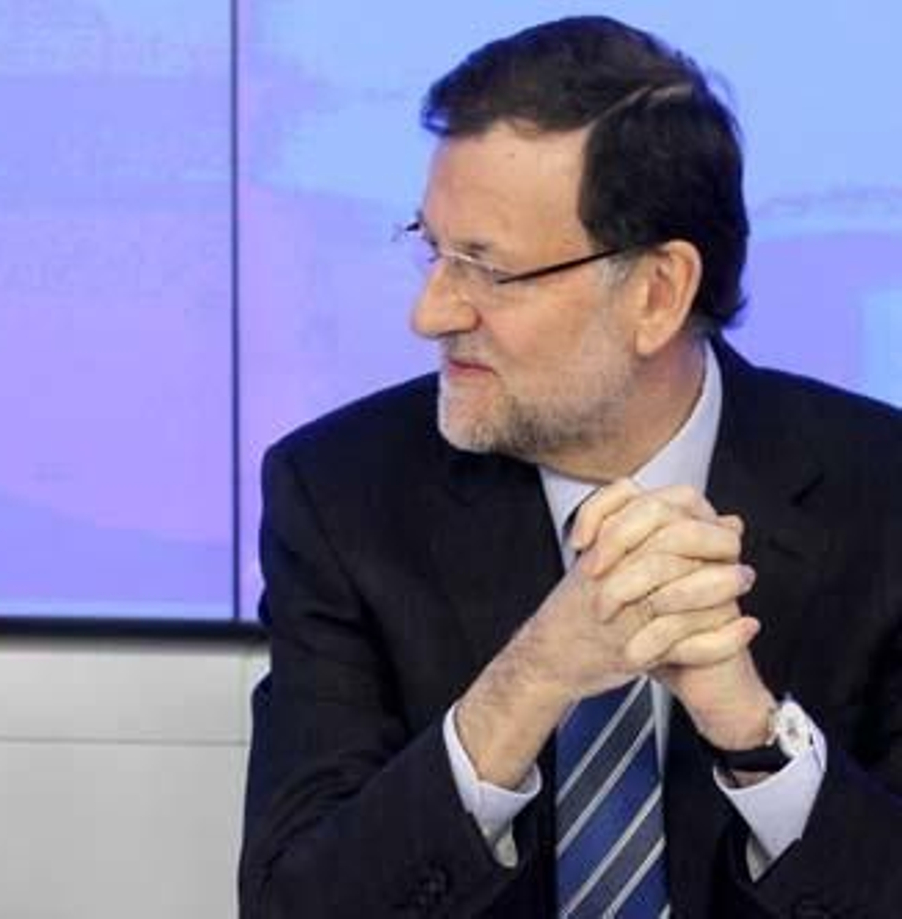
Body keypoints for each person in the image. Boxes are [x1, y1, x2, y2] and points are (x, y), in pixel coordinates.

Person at [239, 16, 902, 918]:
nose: (431, 313)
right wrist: (531, 679)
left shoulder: (882, 496)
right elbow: (293, 905)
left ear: (658, 292)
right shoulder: (342, 494)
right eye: (434, 249)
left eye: (488, 270)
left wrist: (758, 740)